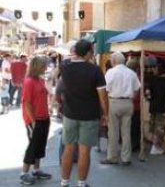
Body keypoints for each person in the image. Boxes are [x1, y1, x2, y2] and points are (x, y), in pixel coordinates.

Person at [59, 40, 108, 187]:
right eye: (92, 51)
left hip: (69, 114)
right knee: (84, 151)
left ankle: (64, 182)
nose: (93, 54)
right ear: (87, 53)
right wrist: (105, 114)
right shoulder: (95, 70)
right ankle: (81, 183)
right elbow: (103, 96)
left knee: (68, 148)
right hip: (89, 115)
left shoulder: (65, 67)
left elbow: (68, 59)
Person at [101, 52, 140, 165]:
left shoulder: (111, 72)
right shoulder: (131, 73)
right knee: (126, 131)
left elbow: (105, 89)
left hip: (114, 101)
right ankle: (126, 158)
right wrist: (132, 97)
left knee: (113, 131)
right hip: (128, 102)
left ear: (114, 61)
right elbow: (137, 88)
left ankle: (112, 157)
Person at [20, 56, 52, 185]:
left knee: (40, 144)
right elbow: (26, 103)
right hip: (34, 120)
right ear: (38, 66)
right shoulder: (29, 82)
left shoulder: (39, 80)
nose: (46, 67)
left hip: (44, 118)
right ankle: (24, 173)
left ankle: (36, 170)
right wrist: (33, 121)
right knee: (33, 146)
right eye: (44, 65)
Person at [147, 64, 165, 155]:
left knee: (152, 126)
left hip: (152, 106)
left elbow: (148, 93)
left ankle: (153, 145)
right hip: (161, 107)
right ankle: (155, 147)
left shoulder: (153, 80)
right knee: (159, 128)